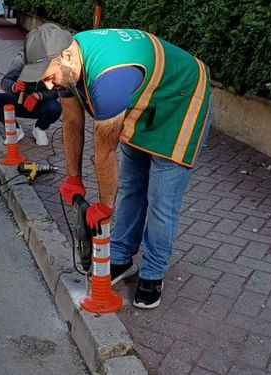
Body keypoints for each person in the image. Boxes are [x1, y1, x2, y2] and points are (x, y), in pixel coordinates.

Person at [19, 24, 213, 309]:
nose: (48, 86)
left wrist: (105, 207)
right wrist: (73, 177)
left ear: (67, 56)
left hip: (182, 99)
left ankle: (153, 273)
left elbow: (105, 151)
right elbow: (71, 121)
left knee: (161, 197)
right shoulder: (69, 68)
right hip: (147, 101)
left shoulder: (109, 79)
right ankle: (121, 257)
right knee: (132, 185)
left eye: (49, 77)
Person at [0, 49, 61, 146]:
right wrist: (14, 86)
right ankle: (15, 129)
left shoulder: (54, 60)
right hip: (18, 101)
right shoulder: (22, 58)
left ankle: (40, 129)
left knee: (55, 108)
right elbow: (5, 81)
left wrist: (39, 96)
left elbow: (58, 90)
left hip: (39, 105)